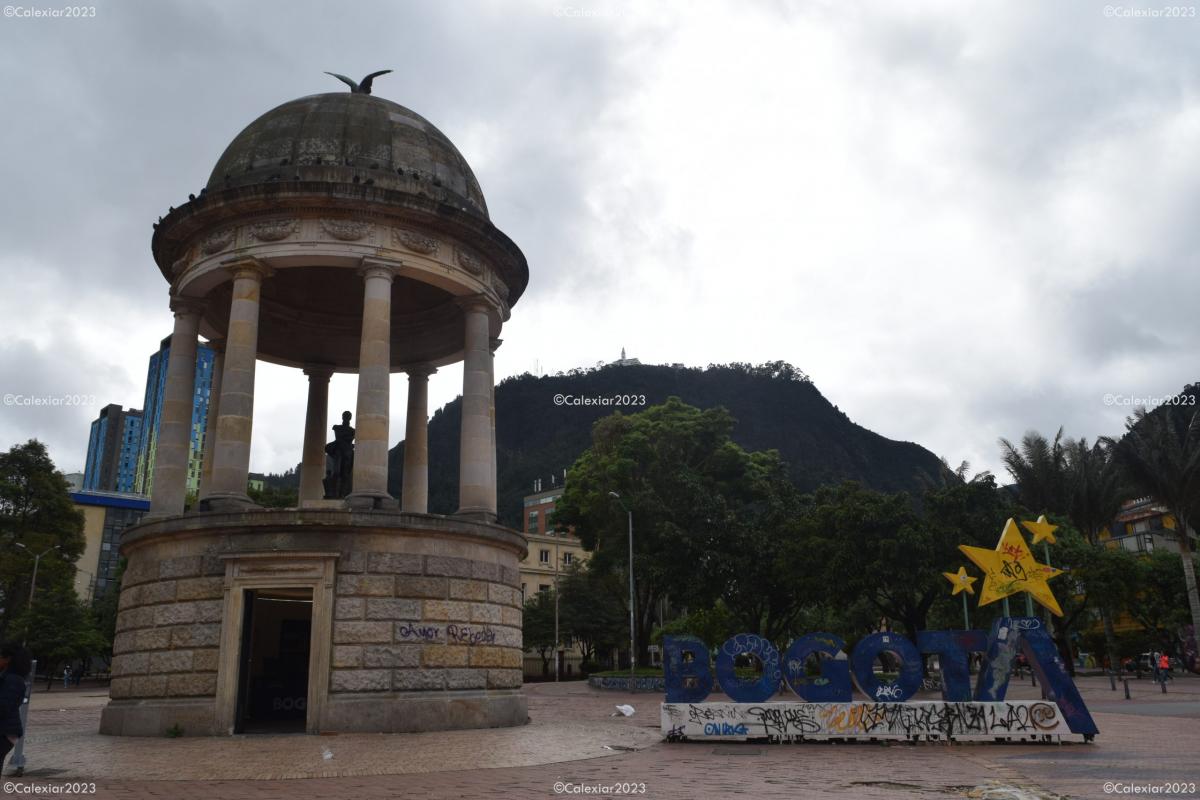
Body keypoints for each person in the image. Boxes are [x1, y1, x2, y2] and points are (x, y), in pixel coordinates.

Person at [0, 642, 32, 776]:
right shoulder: (7, 678)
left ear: (8, 659)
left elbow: (4, 707)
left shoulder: (13, 680)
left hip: (4, 732)